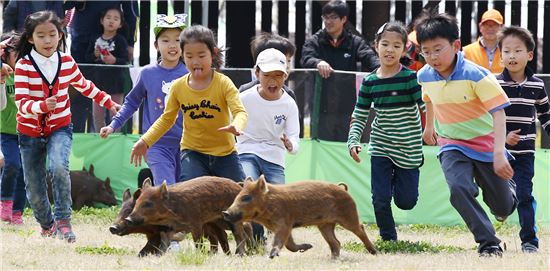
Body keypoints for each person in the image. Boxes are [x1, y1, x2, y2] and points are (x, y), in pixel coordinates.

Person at [415, 12, 517, 257]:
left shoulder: (477, 75)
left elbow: (499, 112)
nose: (432, 57)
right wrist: (429, 127)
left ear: (456, 45)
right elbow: (428, 98)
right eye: (426, 51)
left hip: (486, 145)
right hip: (452, 144)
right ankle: (488, 243)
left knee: (503, 206)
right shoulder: (424, 75)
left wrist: (499, 153)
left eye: (438, 49)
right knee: (458, 188)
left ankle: (507, 195)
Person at [13, 11, 120, 242]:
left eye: (52, 34)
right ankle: (47, 225)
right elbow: (21, 104)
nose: (48, 40)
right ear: (31, 38)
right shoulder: (23, 65)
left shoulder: (67, 62)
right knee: (33, 188)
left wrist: (109, 102)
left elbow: (85, 86)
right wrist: (41, 106)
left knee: (59, 167)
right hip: (29, 133)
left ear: (60, 35)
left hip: (59, 127)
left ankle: (63, 222)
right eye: (41, 35)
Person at [130, 25, 248, 183]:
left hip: (225, 154)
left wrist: (237, 125)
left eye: (201, 55)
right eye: (189, 56)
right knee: (190, 196)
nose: (195, 61)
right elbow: (167, 119)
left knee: (240, 195)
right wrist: (145, 141)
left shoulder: (223, 83)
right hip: (193, 153)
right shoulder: (178, 87)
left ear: (213, 54)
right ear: (182, 56)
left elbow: (240, 112)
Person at [347, 22, 424, 242]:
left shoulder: (411, 78)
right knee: (380, 199)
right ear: (376, 46)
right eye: (385, 44)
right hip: (381, 145)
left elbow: (426, 106)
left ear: (404, 49)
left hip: (408, 148)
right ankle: (388, 238)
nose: (390, 50)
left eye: (396, 45)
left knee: (406, 201)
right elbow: (359, 114)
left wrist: (432, 130)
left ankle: (393, 182)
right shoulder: (369, 82)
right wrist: (353, 140)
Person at [100, 14, 188, 186]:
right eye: (165, 40)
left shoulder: (189, 74)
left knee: (183, 191)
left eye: (178, 40)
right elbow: (131, 102)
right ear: (156, 45)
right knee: (167, 188)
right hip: (155, 144)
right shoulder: (147, 74)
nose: (172, 45)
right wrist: (113, 125)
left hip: (186, 145)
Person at [237, 48, 300, 243]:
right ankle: (256, 238)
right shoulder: (244, 97)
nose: (272, 81)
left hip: (275, 157)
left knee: (278, 199)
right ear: (256, 74)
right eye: (267, 75)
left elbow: (295, 138)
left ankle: (280, 238)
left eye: (278, 75)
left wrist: (290, 145)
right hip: (247, 150)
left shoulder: (289, 104)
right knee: (252, 190)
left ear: (286, 76)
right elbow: (234, 122)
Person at [496, 26, 550, 254]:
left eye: (517, 50)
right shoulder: (495, 84)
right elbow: (485, 119)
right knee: (503, 199)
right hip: (500, 154)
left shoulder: (537, 85)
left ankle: (529, 241)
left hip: (526, 153)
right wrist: (503, 137)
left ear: (529, 55)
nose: (511, 55)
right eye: (506, 51)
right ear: (500, 56)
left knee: (525, 195)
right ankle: (502, 207)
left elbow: (546, 115)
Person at [300, 0, 379, 142]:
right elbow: (306, 59)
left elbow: (370, 58)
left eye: (334, 17)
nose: (328, 21)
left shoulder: (355, 42)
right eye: (326, 17)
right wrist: (318, 62)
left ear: (344, 19)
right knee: (321, 142)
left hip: (347, 104)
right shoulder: (315, 41)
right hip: (321, 104)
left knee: (346, 141)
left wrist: (384, 69)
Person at [63, 0, 138, 133]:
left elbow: (131, 14)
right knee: (78, 95)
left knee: (112, 96)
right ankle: (77, 138)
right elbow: (64, 5)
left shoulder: (119, 40)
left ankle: (115, 137)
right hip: (81, 41)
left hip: (112, 43)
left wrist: (130, 43)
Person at [85, 7, 129, 132]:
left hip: (116, 83)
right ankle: (100, 139)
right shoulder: (95, 38)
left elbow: (125, 60)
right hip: (98, 83)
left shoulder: (120, 40)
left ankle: (114, 139)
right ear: (101, 20)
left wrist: (114, 60)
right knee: (97, 115)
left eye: (116, 19)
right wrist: (95, 54)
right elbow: (87, 57)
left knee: (116, 113)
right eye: (108, 18)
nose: (111, 21)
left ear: (120, 24)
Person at [0, 33, 27, 225]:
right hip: (5, 132)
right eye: (16, 52)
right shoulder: (3, 74)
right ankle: (5, 203)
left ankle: (17, 212)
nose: (21, 57)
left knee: (25, 172)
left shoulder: (28, 75)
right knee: (12, 164)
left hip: (26, 132)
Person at [238, 32, 297, 101]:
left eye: (289, 61)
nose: (287, 66)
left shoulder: (289, 95)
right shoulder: (244, 92)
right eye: (282, 61)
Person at [463, 9, 504, 73]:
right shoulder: (466, 51)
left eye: (494, 25)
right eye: (486, 24)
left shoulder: (508, 51)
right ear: (480, 27)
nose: (490, 28)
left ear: (502, 27)